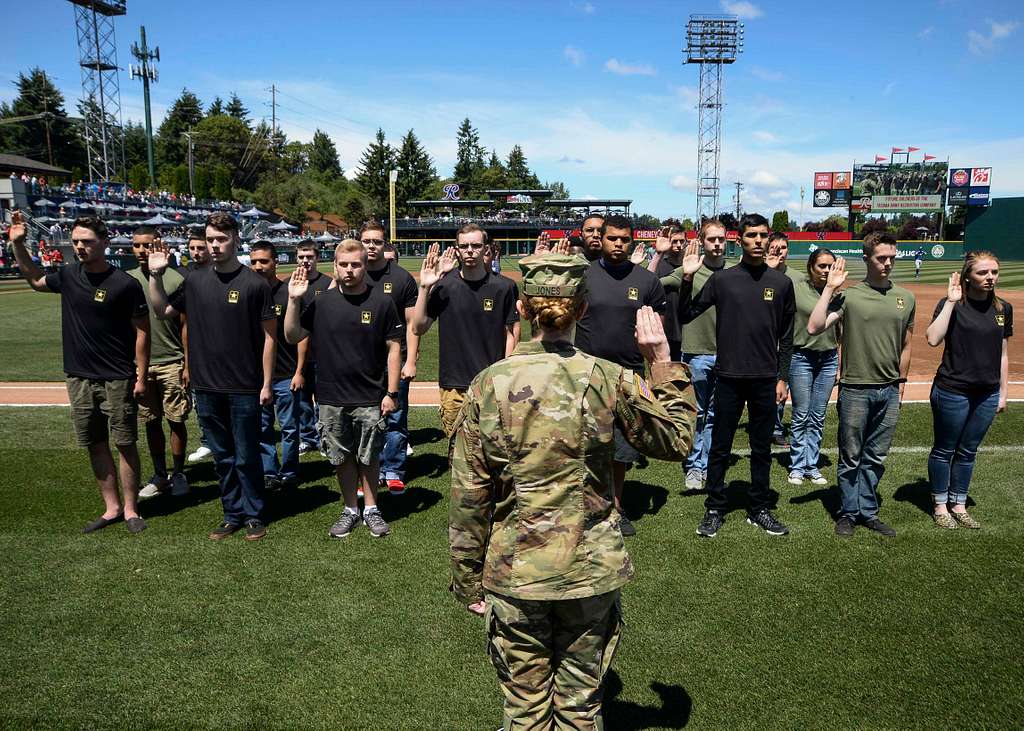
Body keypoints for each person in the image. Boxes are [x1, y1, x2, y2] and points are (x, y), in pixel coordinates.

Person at [449, 252, 697, 729]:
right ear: (582, 310)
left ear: (521, 308)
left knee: (524, 707)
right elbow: (677, 441)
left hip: (515, 571)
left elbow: (469, 495)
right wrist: (662, 362)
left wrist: (466, 579)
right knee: (581, 706)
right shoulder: (610, 378)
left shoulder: (488, 385)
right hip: (589, 571)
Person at [9, 211, 150, 534]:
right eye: (75, 242)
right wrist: (18, 244)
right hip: (79, 377)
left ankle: (131, 508)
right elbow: (34, 279)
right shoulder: (69, 276)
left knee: (125, 442)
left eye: (86, 242)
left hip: (117, 377)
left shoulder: (124, 284)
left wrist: (140, 376)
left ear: (104, 242)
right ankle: (111, 507)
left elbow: (142, 332)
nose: (80, 247)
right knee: (95, 442)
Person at [147, 212, 276, 542]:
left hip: (245, 387)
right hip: (206, 387)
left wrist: (265, 383)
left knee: (247, 455)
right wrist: (155, 277)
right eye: (210, 240)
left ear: (234, 238)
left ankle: (254, 514)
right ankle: (231, 513)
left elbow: (270, 338)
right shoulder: (194, 280)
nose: (214, 246)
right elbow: (163, 310)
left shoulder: (255, 284)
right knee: (222, 457)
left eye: (221, 239)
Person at [678, 213, 795, 538]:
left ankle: (759, 508)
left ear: (768, 239)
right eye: (751, 236)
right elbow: (686, 313)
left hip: (764, 378)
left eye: (762, 235)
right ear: (739, 240)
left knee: (762, 448)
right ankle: (715, 507)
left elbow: (787, 337)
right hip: (727, 376)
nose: (758, 241)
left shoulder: (781, 284)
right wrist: (688, 280)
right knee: (720, 446)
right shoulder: (722, 280)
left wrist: (782, 377)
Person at [284, 239, 403, 539]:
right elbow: (292, 334)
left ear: (365, 265)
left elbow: (393, 348)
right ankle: (351, 508)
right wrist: (294, 300)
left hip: (370, 395)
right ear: (334, 266)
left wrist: (392, 392)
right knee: (341, 457)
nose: (349, 270)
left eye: (356, 264)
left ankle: (372, 508)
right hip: (330, 396)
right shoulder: (321, 301)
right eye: (344, 264)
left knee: (370, 455)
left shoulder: (381, 302)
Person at [808, 232, 914, 538]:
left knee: (876, 456)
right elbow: (814, 326)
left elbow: (907, 345)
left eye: (892, 257)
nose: (888, 263)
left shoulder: (905, 298)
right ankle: (848, 512)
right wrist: (829, 290)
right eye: (882, 258)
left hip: (889, 389)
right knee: (851, 455)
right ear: (866, 258)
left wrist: (902, 382)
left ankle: (868, 511)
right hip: (855, 388)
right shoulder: (849, 297)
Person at [573, 214, 667, 537]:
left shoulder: (646, 282)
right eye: (612, 238)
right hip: (587, 375)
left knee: (623, 450)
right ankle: (587, 508)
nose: (617, 244)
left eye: (624, 239)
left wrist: (654, 375)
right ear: (602, 238)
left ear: (631, 241)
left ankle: (614, 509)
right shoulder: (583, 276)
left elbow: (657, 333)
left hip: (630, 376)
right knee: (587, 447)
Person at [924, 251, 1011, 529]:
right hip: (952, 389)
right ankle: (940, 505)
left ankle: (958, 504)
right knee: (944, 449)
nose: (990, 278)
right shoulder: (952, 304)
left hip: (986, 394)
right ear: (968, 277)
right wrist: (950, 303)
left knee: (968, 451)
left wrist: (1003, 392)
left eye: (994, 272)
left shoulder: (1002, 309)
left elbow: (1003, 354)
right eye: (983, 273)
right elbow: (933, 339)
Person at [413, 224, 520, 439]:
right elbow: (418, 327)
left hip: (491, 385)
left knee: (493, 453)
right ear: (457, 249)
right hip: (454, 385)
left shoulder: (504, 287)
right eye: (464, 246)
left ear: (486, 249)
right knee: (456, 453)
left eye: (476, 245)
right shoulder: (445, 286)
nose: (470, 250)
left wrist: (504, 375)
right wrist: (424, 288)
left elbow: (512, 334)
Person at [661, 219, 727, 491]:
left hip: (726, 355)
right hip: (697, 353)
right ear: (701, 241)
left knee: (716, 415)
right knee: (697, 414)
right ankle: (693, 467)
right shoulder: (688, 270)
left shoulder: (734, 272)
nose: (717, 244)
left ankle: (708, 464)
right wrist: (659, 255)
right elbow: (650, 285)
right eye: (712, 239)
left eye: (721, 239)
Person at [129, 226, 190, 499]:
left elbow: (186, 327)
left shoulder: (176, 279)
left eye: (147, 245)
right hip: (140, 365)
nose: (142, 250)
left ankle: (178, 472)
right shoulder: (126, 280)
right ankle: (159, 474)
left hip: (171, 360)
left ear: (158, 245)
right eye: (136, 245)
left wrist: (187, 364)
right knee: (150, 421)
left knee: (176, 420)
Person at [360, 221, 419, 495]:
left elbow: (412, 325)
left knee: (395, 417)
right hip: (361, 363)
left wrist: (411, 360)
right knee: (363, 420)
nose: (371, 246)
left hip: (395, 360)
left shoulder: (401, 278)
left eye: (377, 241)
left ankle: (393, 468)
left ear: (385, 245)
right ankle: (367, 471)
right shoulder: (352, 275)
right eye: (366, 241)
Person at [250, 241, 307, 492]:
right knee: (262, 428)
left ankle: (290, 471)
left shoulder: (289, 293)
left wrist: (299, 371)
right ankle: (270, 472)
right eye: (253, 262)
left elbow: (304, 335)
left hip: (286, 373)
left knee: (289, 427)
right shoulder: (250, 292)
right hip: (257, 377)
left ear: (276, 262)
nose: (258, 267)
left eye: (263, 261)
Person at [786, 248, 839, 487]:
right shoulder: (798, 290)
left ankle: (812, 465)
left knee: (818, 416)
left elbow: (844, 333)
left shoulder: (839, 295)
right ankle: (797, 466)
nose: (827, 271)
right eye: (822, 266)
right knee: (801, 414)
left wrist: (841, 362)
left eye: (830, 266)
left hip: (828, 358)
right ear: (811, 267)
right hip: (802, 357)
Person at [295, 239, 332, 454]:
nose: (305, 261)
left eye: (309, 256)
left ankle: (324, 437)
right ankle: (307, 437)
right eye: (301, 257)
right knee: (302, 399)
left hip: (323, 352)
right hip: (298, 354)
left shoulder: (327, 283)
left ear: (317, 258)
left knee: (323, 399)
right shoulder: (291, 283)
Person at [182, 226, 214, 464]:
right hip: (198, 352)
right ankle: (206, 441)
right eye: (192, 248)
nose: (196, 252)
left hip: (223, 352)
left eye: (200, 248)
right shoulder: (187, 277)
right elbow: (183, 322)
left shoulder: (222, 274)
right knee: (200, 401)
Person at [766, 231, 798, 448]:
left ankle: (777, 428)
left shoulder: (797, 278)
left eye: (783, 247)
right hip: (764, 343)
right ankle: (763, 426)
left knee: (781, 389)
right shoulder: (760, 274)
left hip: (787, 342)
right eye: (774, 247)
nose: (779, 251)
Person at [646, 224, 686, 361]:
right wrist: (659, 253)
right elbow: (646, 283)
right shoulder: (660, 265)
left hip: (687, 329)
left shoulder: (691, 265)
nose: (679, 245)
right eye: (674, 241)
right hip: (667, 329)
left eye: (682, 241)